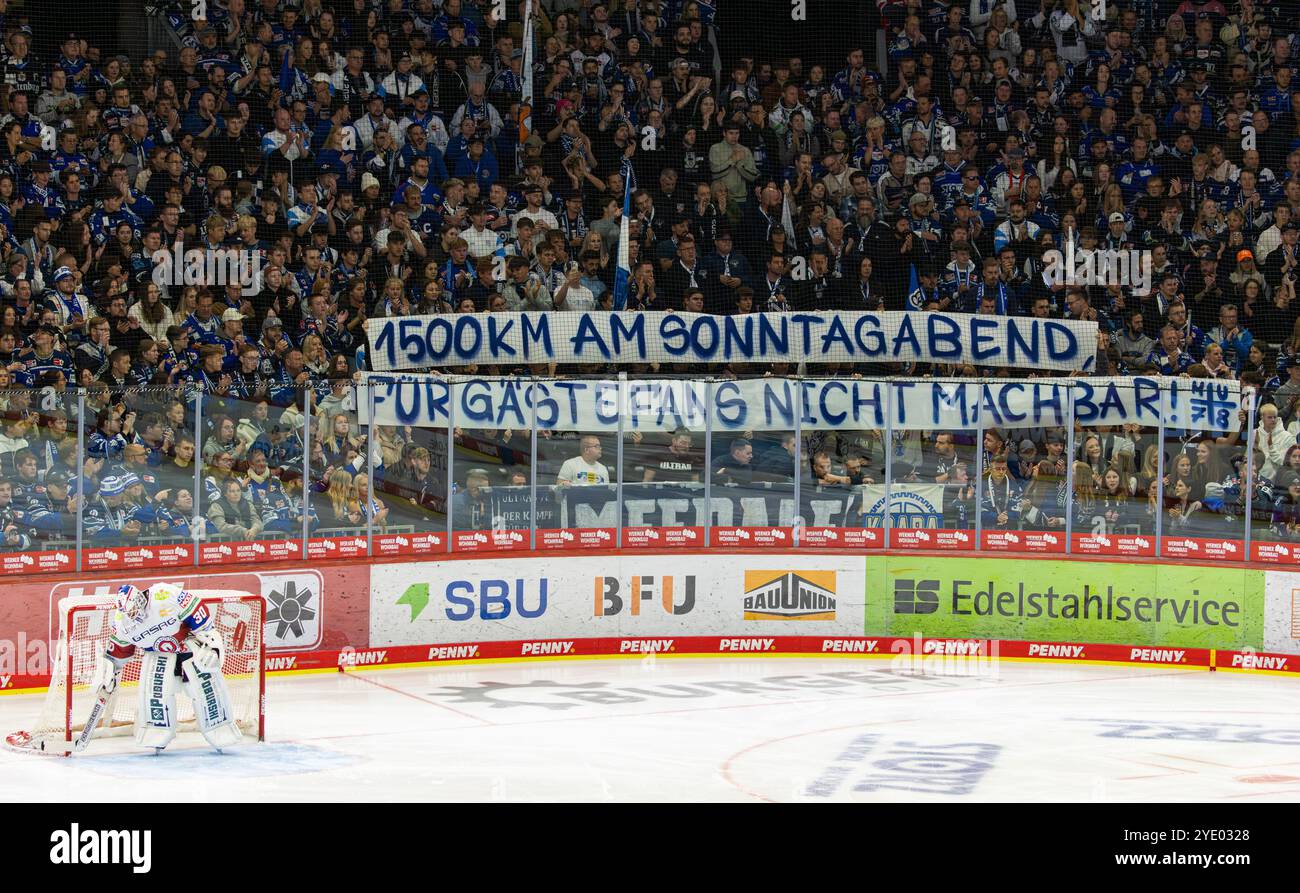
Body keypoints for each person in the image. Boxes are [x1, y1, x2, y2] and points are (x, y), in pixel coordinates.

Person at [97, 583, 244, 752]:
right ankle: (157, 730)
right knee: (156, 691)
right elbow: (119, 650)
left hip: (189, 646)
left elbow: (196, 608)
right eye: (127, 613)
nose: (131, 615)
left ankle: (219, 727)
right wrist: (110, 669)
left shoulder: (163, 594)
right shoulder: (122, 623)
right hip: (159, 655)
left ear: (139, 600)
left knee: (206, 685)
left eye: (132, 610)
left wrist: (210, 639)